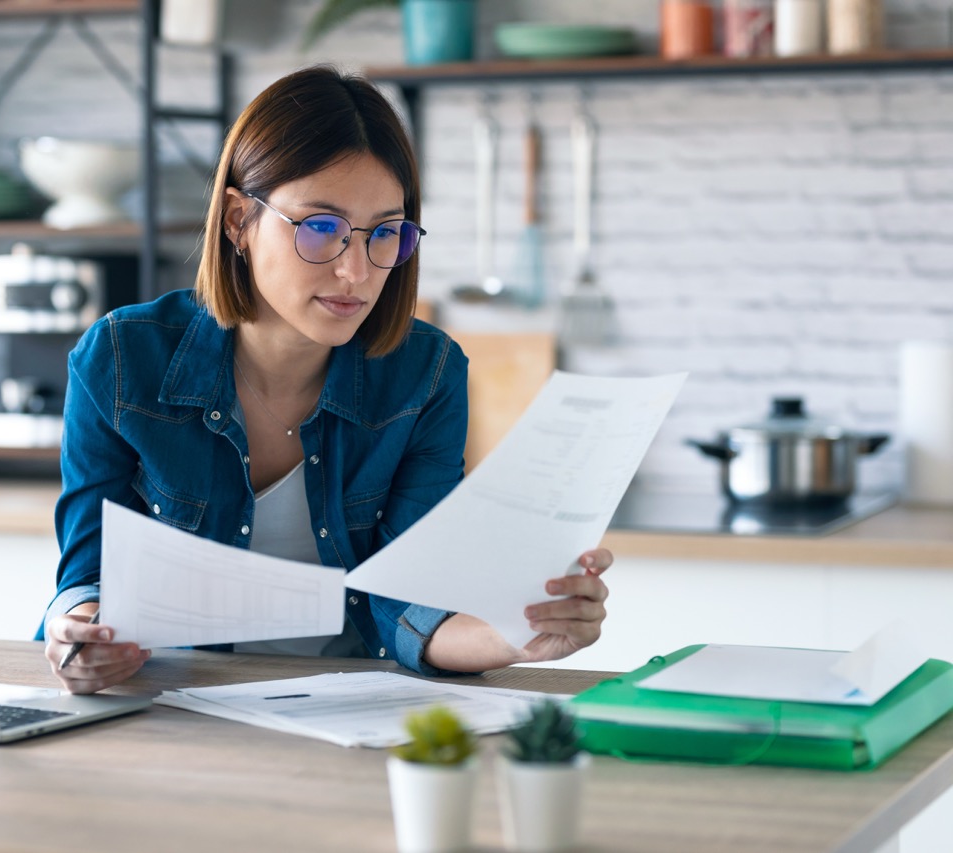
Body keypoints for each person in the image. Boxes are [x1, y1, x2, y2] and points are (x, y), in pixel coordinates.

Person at [40, 65, 612, 694]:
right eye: (320, 228)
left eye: (385, 234)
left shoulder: (427, 374)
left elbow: (410, 605)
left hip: (350, 705)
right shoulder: (122, 358)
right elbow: (87, 578)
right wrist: (82, 636)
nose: (357, 272)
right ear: (237, 220)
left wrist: (516, 634)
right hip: (174, 702)